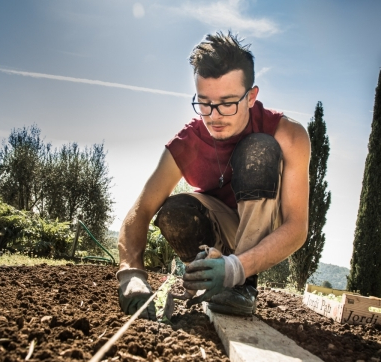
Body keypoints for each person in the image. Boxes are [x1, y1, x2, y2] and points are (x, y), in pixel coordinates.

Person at [117, 31, 310, 319]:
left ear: (251, 97)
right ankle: (208, 274)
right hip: (221, 228)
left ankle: (240, 286)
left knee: (259, 148)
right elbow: (141, 210)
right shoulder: (187, 142)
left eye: (228, 103)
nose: (214, 116)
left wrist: (237, 268)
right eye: (204, 102)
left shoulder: (288, 135)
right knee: (175, 211)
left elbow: (297, 227)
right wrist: (130, 272)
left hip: (265, 227)